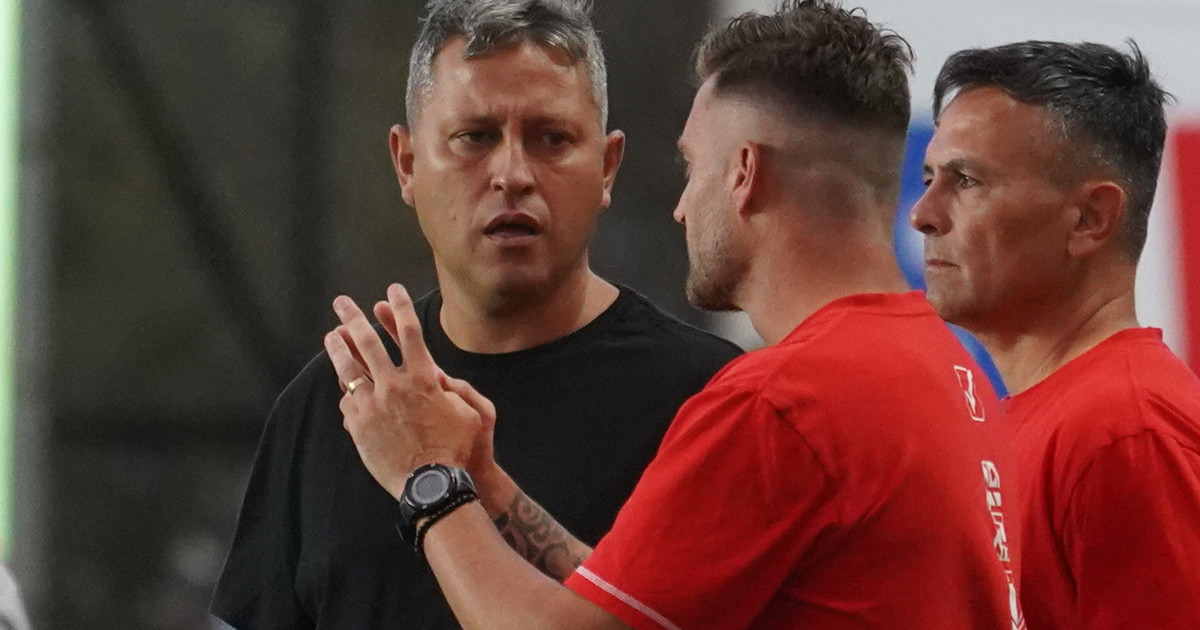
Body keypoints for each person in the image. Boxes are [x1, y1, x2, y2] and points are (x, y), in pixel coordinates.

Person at [326, 2, 1024, 628]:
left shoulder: (782, 405)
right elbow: (635, 609)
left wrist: (427, 476)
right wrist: (487, 485)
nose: (683, 207)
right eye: (476, 136)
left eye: (693, 168)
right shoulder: (947, 366)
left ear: (744, 173)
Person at [210, 0, 742, 627]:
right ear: (407, 164)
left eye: (552, 138)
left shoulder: (715, 403)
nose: (512, 174)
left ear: (607, 167)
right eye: (475, 137)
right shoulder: (333, 403)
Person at [912, 41, 1200, 628]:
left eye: (966, 180)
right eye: (929, 177)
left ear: (1090, 219)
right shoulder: (1071, 420)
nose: (922, 214)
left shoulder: (1126, 431)